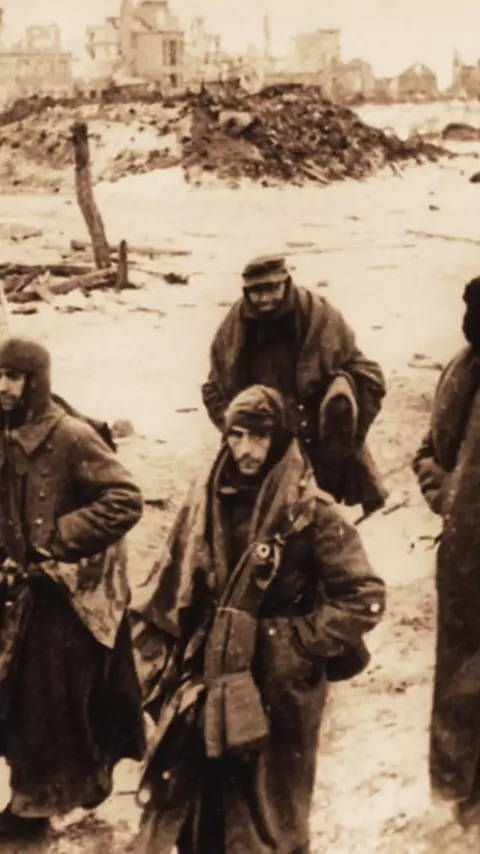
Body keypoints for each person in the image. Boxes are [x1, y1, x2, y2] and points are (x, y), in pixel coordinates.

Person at [132, 384, 386, 854]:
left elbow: (365, 597)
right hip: (210, 675)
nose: (245, 449)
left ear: (280, 438)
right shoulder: (205, 500)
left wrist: (292, 642)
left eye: (259, 436)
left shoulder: (311, 512)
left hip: (279, 688)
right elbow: (173, 581)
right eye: (236, 435)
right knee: (202, 804)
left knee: (273, 814)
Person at [0, 336, 146, 839]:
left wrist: (57, 538)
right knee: (21, 694)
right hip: (20, 586)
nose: (3, 387)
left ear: (36, 381)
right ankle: (71, 785)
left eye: (14, 377)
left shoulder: (71, 437)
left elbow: (125, 498)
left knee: (49, 698)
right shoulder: (4, 430)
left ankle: (35, 805)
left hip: (70, 592)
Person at [201, 254, 388, 516]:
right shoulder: (234, 328)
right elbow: (214, 389)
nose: (265, 298)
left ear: (286, 283)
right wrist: (238, 429)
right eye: (256, 291)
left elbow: (369, 378)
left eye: (272, 288)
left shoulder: (319, 316)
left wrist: (345, 434)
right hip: (264, 438)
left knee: (321, 516)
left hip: (315, 437)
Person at [413, 276, 480, 826]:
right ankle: (463, 794)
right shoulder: (463, 372)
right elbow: (428, 450)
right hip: (466, 555)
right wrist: (448, 496)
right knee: (461, 679)